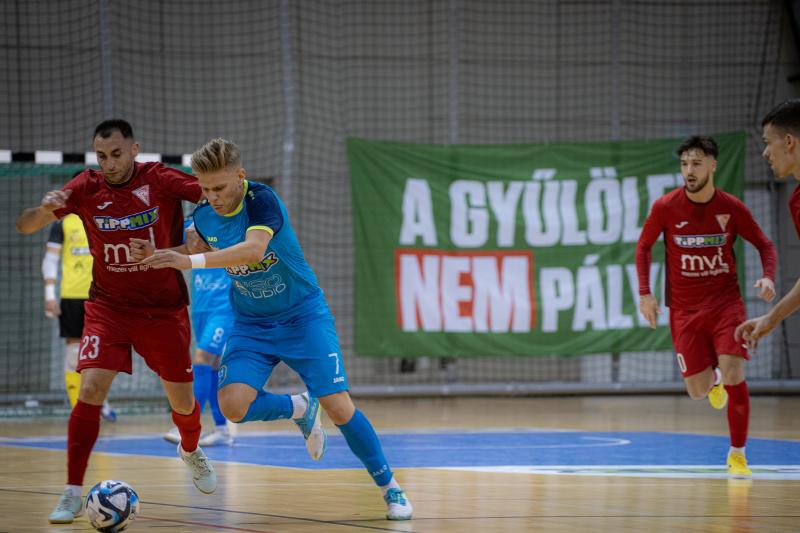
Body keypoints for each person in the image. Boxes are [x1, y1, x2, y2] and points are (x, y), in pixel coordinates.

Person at [132, 138, 414, 521]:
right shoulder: (202, 214)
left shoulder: (261, 200)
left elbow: (253, 251)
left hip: (302, 316)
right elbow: (192, 249)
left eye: (220, 187)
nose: (212, 196)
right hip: (252, 322)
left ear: (240, 176)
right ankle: (297, 406)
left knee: (339, 406)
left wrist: (190, 262)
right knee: (232, 406)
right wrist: (160, 256)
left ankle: (390, 489)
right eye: (205, 188)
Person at [16, 119, 216, 524]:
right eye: (102, 156)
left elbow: (216, 197)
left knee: (182, 401)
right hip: (108, 307)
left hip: (162, 310)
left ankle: (191, 451)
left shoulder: (158, 178)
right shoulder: (85, 187)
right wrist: (45, 208)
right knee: (89, 387)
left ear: (134, 149)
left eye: (116, 154)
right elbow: (26, 226)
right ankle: (72, 491)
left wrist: (190, 236)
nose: (109, 164)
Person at [636, 135, 777, 478]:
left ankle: (738, 454)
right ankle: (711, 378)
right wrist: (645, 293)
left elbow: (765, 245)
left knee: (735, 371)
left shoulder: (731, 208)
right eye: (684, 164)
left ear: (713, 165)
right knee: (698, 392)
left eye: (696, 163)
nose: (689, 170)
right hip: (684, 311)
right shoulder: (666, 207)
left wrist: (769, 277)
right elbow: (643, 248)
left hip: (726, 305)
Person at [164, 220, 236, 446]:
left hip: (223, 307)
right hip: (200, 306)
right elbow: (179, 251)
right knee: (212, 366)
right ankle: (222, 429)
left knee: (202, 358)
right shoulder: (189, 224)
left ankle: (185, 425)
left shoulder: (232, 224)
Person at [735, 100, 800, 347]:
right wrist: (772, 318)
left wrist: (773, 318)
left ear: (789, 142)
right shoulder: (796, 199)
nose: (764, 153)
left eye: (767, 143)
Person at [42, 206, 116, 421]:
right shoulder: (62, 223)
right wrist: (49, 294)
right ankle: (79, 408)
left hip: (102, 294)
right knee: (75, 349)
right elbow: (51, 259)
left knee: (102, 351)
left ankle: (98, 399)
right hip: (73, 295)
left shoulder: (105, 219)